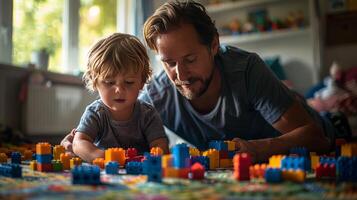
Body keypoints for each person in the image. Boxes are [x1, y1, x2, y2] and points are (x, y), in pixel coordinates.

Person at [63, 1, 334, 163]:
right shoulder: (158, 95)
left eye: (190, 59)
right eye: (169, 62)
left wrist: (259, 147)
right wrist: (78, 141)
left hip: (322, 128)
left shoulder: (247, 70)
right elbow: (120, 114)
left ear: (214, 45)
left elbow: (316, 138)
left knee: (332, 116)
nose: (180, 74)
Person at [66, 33, 169, 163]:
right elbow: (79, 143)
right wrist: (100, 156)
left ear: (141, 82)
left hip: (141, 172)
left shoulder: (147, 114)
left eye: (129, 82)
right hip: (106, 172)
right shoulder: (96, 113)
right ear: (95, 82)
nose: (119, 89)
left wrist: (156, 156)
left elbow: (160, 146)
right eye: (109, 82)